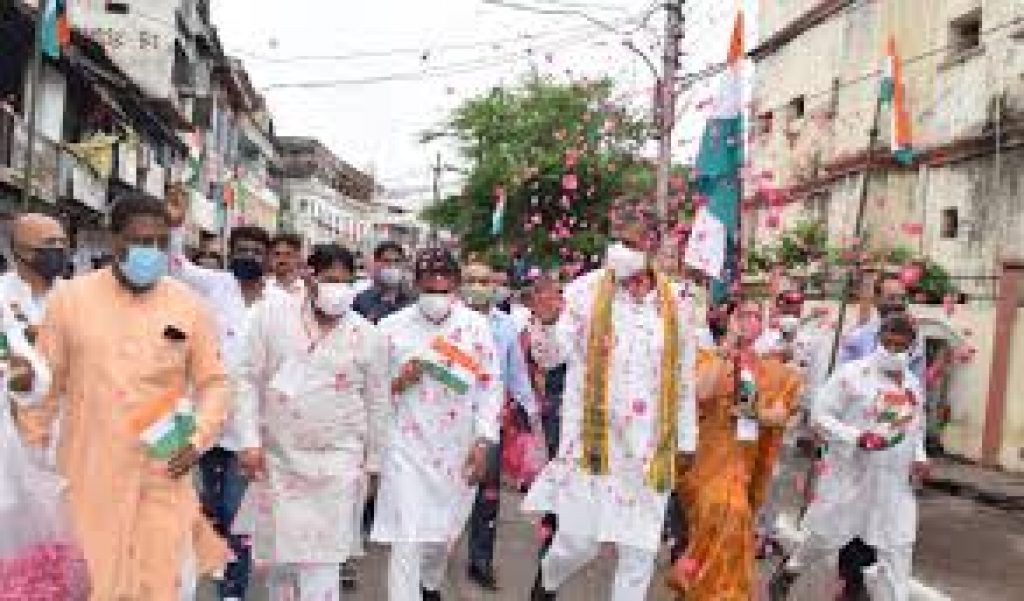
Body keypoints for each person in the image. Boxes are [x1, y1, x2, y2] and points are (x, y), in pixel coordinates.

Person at [15, 195, 231, 600]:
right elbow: (43, 390)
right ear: (115, 242)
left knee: (161, 583)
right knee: (93, 584)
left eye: (159, 243)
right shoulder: (70, 300)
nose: (150, 252)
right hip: (88, 477)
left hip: (164, 469)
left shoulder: (189, 306)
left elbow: (215, 383)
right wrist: (30, 472)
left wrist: (197, 437)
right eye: (139, 241)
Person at [525, 211, 700, 601]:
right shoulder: (585, 291)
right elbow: (549, 358)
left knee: (639, 554)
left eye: (632, 242)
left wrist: (686, 440)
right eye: (617, 240)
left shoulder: (678, 303)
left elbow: (684, 375)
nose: (620, 250)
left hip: (650, 447)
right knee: (578, 544)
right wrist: (549, 322)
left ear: (653, 247)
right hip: (592, 444)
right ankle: (547, 583)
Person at [236, 243, 388, 601]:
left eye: (345, 281)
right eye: (330, 279)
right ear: (309, 277)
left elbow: (378, 403)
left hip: (338, 464)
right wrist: (248, 440)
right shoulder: (270, 317)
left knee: (324, 566)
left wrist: (375, 462)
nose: (338, 288)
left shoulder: (369, 337)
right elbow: (244, 376)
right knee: (282, 566)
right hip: (278, 459)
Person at [164, 184, 276, 601]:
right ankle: (209, 574)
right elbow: (175, 267)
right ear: (231, 253)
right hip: (206, 423)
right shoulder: (213, 285)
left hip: (251, 431)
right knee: (210, 509)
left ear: (267, 260)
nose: (248, 256)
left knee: (238, 513)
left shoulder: (279, 302)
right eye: (241, 249)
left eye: (256, 251)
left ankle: (233, 590)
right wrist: (176, 227)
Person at [371, 248, 501, 601]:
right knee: (406, 540)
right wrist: (398, 381)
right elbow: (371, 391)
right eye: (430, 289)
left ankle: (430, 586)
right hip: (405, 449)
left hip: (456, 451)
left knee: (440, 541)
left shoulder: (476, 329)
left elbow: (490, 388)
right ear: (416, 286)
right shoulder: (390, 329)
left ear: (456, 287)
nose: (437, 297)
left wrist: (483, 441)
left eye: (444, 290)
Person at [786, 313, 928, 601]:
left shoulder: (913, 386)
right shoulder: (852, 375)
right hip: (850, 478)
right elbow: (820, 416)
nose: (894, 352)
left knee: (897, 554)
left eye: (902, 347)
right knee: (825, 538)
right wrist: (856, 437)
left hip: (894, 487)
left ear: (912, 348)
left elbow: (916, 427)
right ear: (879, 340)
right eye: (889, 344)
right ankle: (791, 568)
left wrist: (920, 456)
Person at [667, 300, 801, 600]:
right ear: (729, 320)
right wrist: (725, 354)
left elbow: (782, 413)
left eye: (756, 317)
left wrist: (756, 414)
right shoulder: (705, 355)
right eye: (743, 315)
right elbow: (700, 391)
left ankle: (700, 587)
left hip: (744, 464)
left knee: (733, 522)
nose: (749, 321)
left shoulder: (772, 369)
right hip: (705, 460)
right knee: (723, 514)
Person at [460, 261, 541, 590]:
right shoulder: (448, 322)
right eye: (471, 280)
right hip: (445, 421)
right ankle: (431, 559)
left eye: (485, 281)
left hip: (490, 421)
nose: (479, 286)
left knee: (487, 496)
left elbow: (517, 374)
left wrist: (531, 414)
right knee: (446, 493)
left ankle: (480, 561)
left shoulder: (506, 326)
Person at [0, 213, 69, 342]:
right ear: (20, 250)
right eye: (50, 242)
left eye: (63, 242)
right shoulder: (2, 292)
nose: (59, 248)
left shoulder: (76, 296)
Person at [353, 240, 416, 324]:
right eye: (386, 261)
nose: (392, 265)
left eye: (397, 261)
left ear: (403, 264)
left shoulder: (413, 300)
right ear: (376, 263)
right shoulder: (362, 300)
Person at [268, 232, 306, 298]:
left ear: (297, 257)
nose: (282, 259)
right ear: (270, 257)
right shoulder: (262, 287)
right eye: (277, 254)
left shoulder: (306, 289)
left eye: (288, 254)